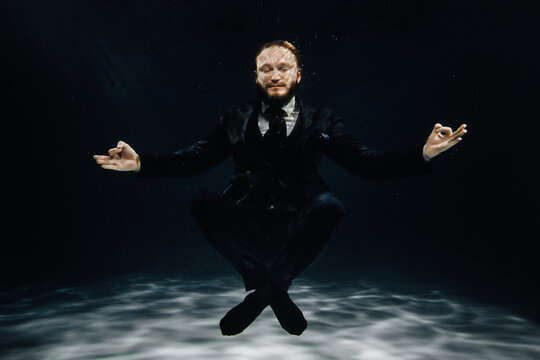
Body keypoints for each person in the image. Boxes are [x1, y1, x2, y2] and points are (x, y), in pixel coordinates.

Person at [93, 40, 467, 336]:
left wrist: (422, 154)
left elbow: (365, 164)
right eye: (266, 69)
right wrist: (141, 162)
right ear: (255, 76)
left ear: (299, 74)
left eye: (283, 67)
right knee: (203, 201)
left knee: (331, 206)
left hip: (299, 225)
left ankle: (263, 293)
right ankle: (273, 289)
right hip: (246, 221)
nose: (275, 75)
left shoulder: (323, 119)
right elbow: (195, 159)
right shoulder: (235, 118)